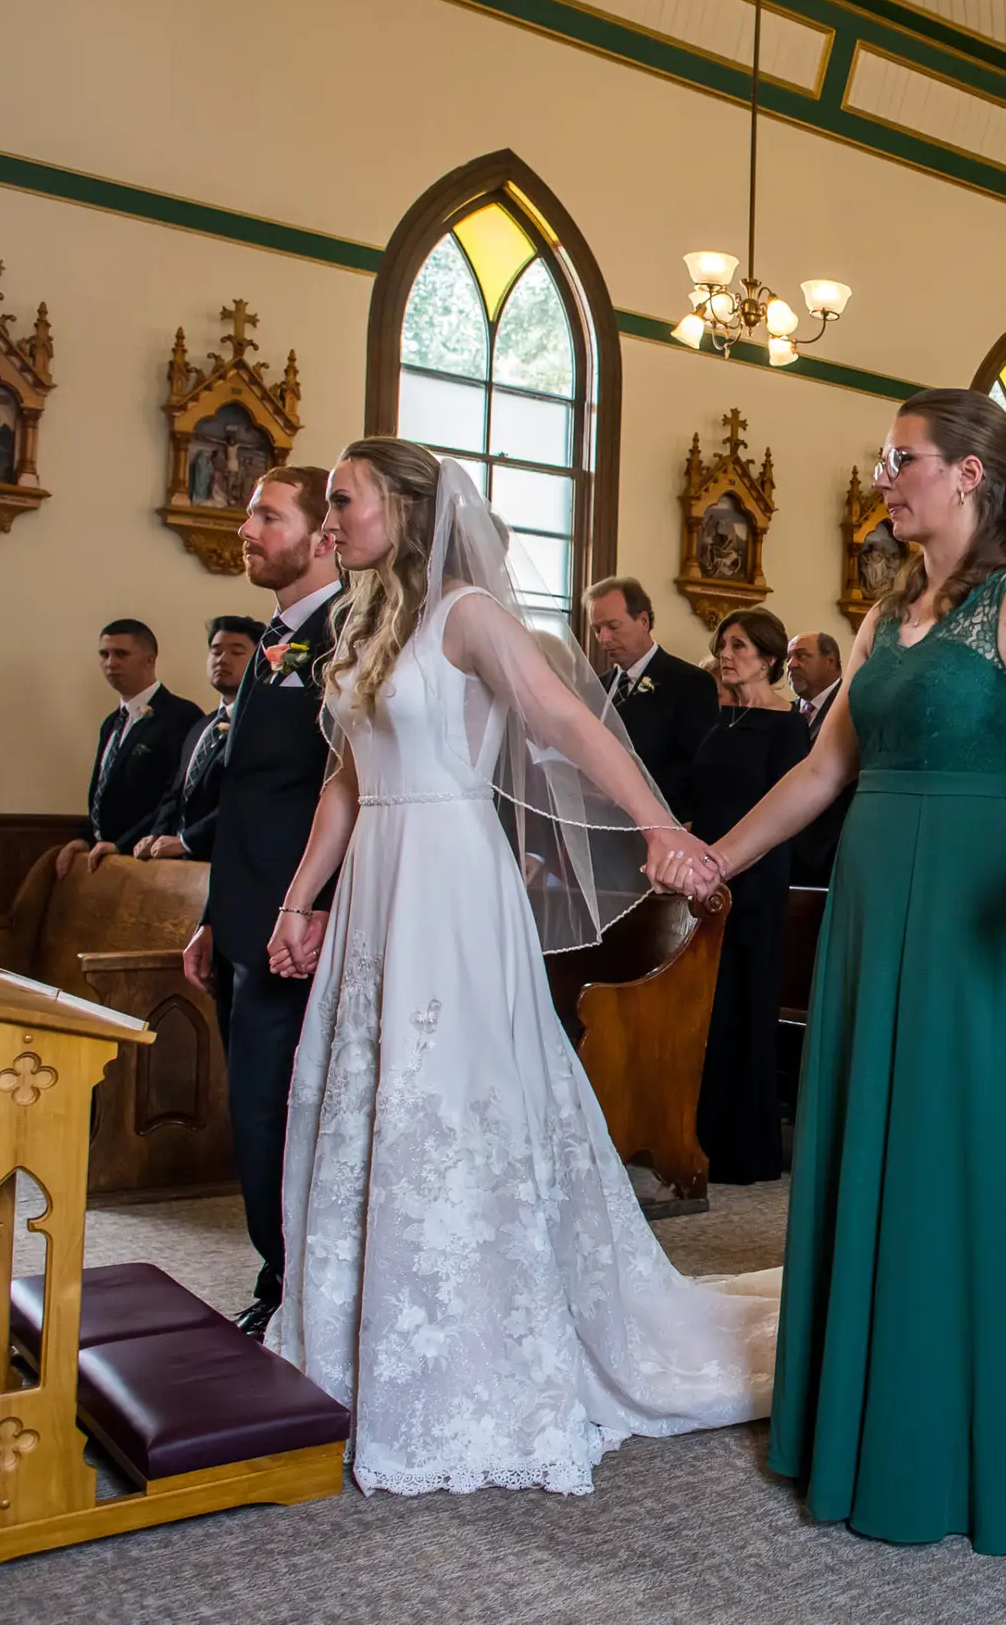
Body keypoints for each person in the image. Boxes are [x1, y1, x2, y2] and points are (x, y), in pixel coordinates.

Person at [263, 439, 776, 1496]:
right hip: (376, 883)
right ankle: (366, 1339)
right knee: (373, 1097)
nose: (329, 525)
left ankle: (478, 1353)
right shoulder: (364, 627)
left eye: (343, 504)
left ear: (404, 507)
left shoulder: (470, 618)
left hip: (450, 878)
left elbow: (561, 718)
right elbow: (344, 786)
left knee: (451, 1102)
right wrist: (298, 896)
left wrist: (659, 827)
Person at [689, 389, 1006, 1553]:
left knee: (943, 1155)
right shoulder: (882, 616)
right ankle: (851, 1418)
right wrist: (713, 857)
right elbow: (824, 773)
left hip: (969, 895)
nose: (888, 478)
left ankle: (941, 1443)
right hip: (874, 897)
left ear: (969, 473)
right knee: (863, 1140)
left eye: (904, 459)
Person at [178, 467, 343, 1338]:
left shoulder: (348, 633)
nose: (246, 528)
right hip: (248, 913)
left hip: (300, 923)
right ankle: (279, 1273)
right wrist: (216, 912)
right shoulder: (276, 637)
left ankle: (291, 1283)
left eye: (266, 515)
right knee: (255, 1104)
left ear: (323, 537)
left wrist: (311, 906)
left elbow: (343, 789)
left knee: (278, 1107)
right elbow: (249, 792)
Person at [685, 607, 810, 1185]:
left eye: (738, 646)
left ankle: (746, 1150)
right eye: (723, 644)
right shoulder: (722, 718)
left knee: (744, 1003)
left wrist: (729, 861)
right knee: (707, 1006)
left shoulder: (786, 725)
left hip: (755, 880)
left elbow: (783, 812)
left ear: (768, 658)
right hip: (706, 876)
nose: (725, 654)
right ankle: (701, 1134)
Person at [62, 620, 205, 876]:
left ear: (149, 660)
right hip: (105, 854)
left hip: (144, 858)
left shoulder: (179, 716)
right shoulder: (111, 722)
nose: (110, 663)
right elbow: (105, 792)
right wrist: (86, 839)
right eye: (104, 655)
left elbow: (172, 796)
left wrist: (123, 844)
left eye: (121, 654)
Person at [585, 575, 716, 826]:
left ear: (643, 621)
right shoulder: (595, 688)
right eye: (597, 629)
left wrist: (621, 795)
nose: (603, 639)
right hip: (597, 826)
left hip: (658, 823)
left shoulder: (689, 682)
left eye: (612, 626)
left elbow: (694, 765)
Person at [131, 615, 264, 862]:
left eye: (236, 652)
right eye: (216, 651)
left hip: (230, 859)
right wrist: (157, 835)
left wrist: (187, 841)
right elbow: (175, 793)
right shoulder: (202, 725)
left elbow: (248, 798)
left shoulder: (263, 725)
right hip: (180, 864)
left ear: (260, 661)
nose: (222, 659)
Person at [785, 629, 850, 888]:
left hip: (828, 852)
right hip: (785, 849)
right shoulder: (785, 713)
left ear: (830, 660)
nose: (792, 664)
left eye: (801, 655)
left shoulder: (849, 706)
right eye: (789, 657)